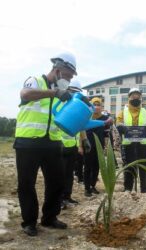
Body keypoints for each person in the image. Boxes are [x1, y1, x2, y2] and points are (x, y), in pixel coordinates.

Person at [13, 52, 77, 236]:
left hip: (53, 143)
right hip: (28, 142)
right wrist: (54, 92)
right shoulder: (35, 81)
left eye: (71, 77)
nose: (68, 80)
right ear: (57, 70)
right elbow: (25, 94)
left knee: (57, 182)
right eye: (67, 76)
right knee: (26, 184)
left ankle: (49, 217)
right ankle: (29, 222)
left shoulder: (63, 93)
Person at [116, 88, 146, 193]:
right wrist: (121, 128)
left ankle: (145, 190)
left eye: (138, 96)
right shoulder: (122, 113)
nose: (136, 98)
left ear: (141, 98)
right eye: (133, 96)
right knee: (129, 167)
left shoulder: (145, 112)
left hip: (143, 144)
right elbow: (118, 123)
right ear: (129, 98)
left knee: (144, 167)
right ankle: (128, 188)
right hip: (128, 144)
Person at [61, 81, 91, 208]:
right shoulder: (62, 104)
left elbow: (81, 125)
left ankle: (67, 197)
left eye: (77, 92)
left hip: (72, 145)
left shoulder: (77, 107)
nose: (74, 94)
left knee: (69, 175)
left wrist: (84, 140)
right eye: (72, 91)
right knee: (59, 175)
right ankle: (59, 199)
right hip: (59, 145)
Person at [83, 97, 113, 197]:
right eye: (94, 105)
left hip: (99, 146)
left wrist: (106, 147)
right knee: (87, 166)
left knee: (96, 166)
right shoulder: (87, 117)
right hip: (88, 146)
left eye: (98, 105)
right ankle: (87, 188)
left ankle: (92, 186)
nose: (96, 107)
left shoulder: (105, 119)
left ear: (101, 107)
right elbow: (81, 132)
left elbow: (107, 134)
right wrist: (80, 146)